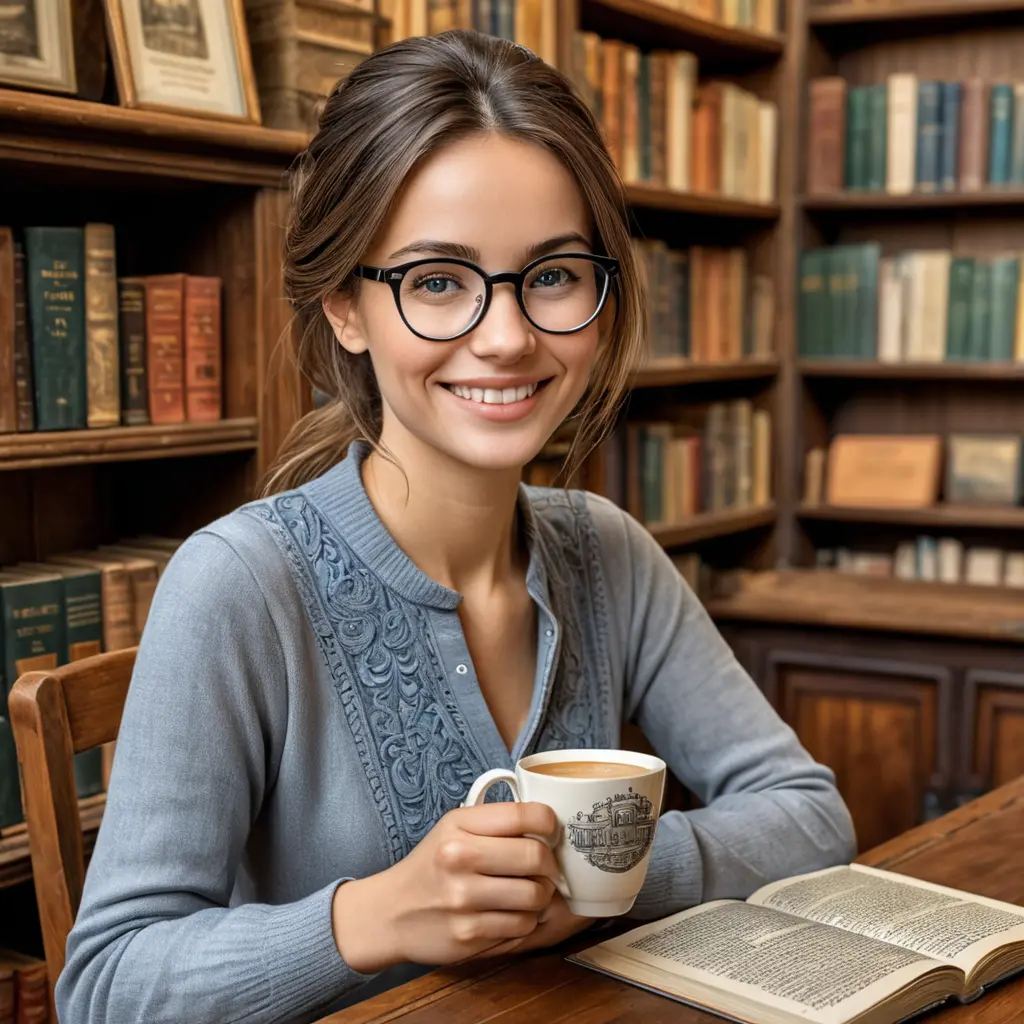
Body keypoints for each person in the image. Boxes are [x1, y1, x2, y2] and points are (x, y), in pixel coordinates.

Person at [56, 29, 856, 1024]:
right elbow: (105, 987)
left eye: (554, 274)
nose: (508, 334)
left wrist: (607, 869)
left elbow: (811, 815)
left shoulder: (607, 550)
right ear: (347, 306)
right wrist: (372, 916)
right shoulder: (236, 582)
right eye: (438, 281)